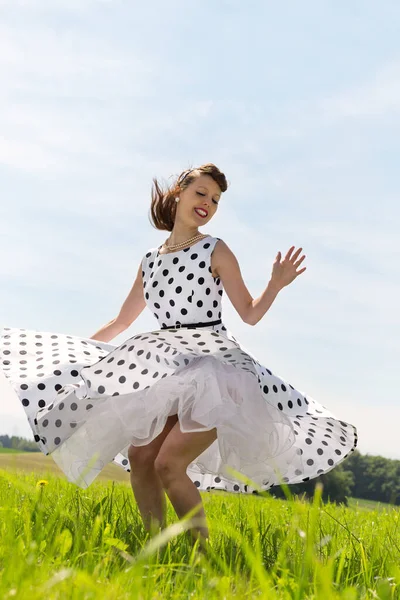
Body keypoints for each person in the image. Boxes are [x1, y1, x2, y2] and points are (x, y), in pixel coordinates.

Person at [0, 163, 357, 543]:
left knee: (169, 464)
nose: (208, 203)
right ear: (179, 193)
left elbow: (250, 314)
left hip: (215, 372)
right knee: (140, 459)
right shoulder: (150, 261)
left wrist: (275, 284)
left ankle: (202, 558)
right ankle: (155, 547)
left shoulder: (215, 249)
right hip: (169, 368)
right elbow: (121, 321)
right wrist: (80, 362)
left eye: (216, 200)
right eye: (201, 193)